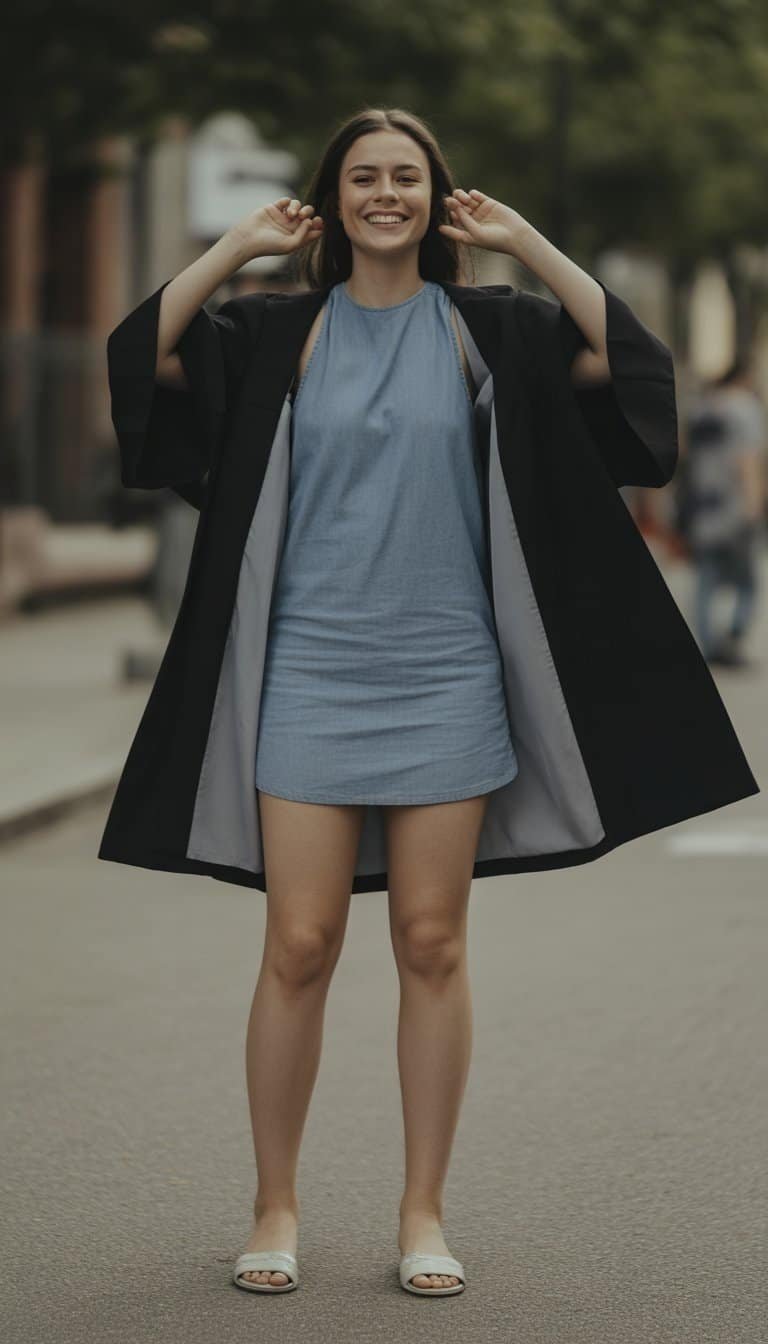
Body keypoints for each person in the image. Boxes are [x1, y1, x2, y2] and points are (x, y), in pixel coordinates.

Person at [681, 357, 767, 667]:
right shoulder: (745, 408)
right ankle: (732, 639)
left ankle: (709, 645)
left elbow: (687, 459)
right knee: (747, 583)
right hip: (735, 508)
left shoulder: (702, 409)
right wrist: (755, 505)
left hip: (704, 510)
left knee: (706, 579)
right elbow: (748, 458)